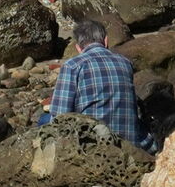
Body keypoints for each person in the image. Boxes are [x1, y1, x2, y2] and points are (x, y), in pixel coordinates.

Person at [43, 10, 141, 147]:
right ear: (106, 41)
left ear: (78, 48)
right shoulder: (125, 62)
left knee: (44, 120)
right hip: (130, 142)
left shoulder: (73, 66)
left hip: (93, 143)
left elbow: (60, 116)